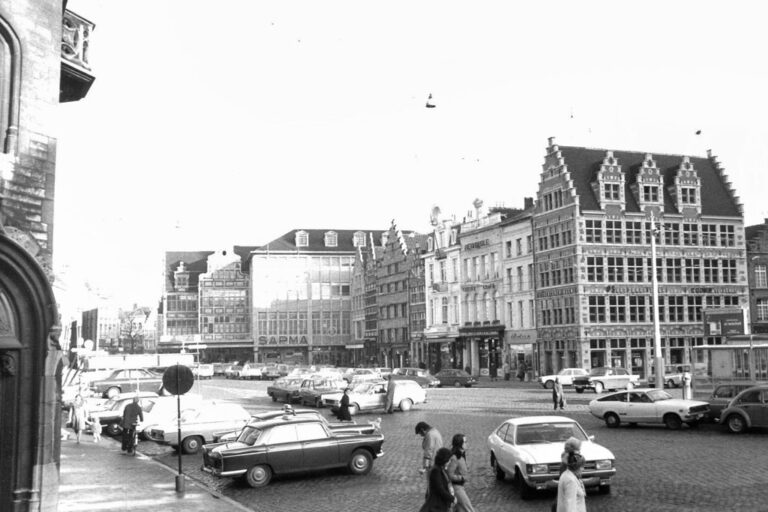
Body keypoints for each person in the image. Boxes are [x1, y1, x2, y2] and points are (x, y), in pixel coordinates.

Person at [419, 447, 455, 512]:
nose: (450, 462)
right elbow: (440, 488)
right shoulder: (436, 471)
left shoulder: (442, 469)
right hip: (436, 506)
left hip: (441, 505)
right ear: (445, 460)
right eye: (449, 460)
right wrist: (451, 498)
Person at [447, 433, 476, 512]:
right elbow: (449, 474)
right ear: (460, 444)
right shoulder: (454, 457)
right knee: (469, 509)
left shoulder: (461, 454)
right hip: (457, 488)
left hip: (460, 487)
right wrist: (461, 477)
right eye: (465, 442)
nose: (467, 444)